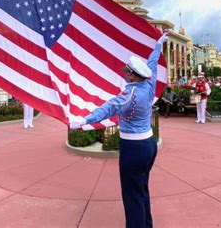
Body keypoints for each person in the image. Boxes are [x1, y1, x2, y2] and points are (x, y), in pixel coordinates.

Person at [70, 33, 167, 228]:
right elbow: (153, 64)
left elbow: (107, 109)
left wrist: (82, 120)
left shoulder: (128, 95)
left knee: (132, 195)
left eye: (127, 72)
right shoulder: (149, 84)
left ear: (132, 74)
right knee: (141, 188)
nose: (125, 73)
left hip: (134, 147)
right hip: (149, 144)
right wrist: (158, 47)